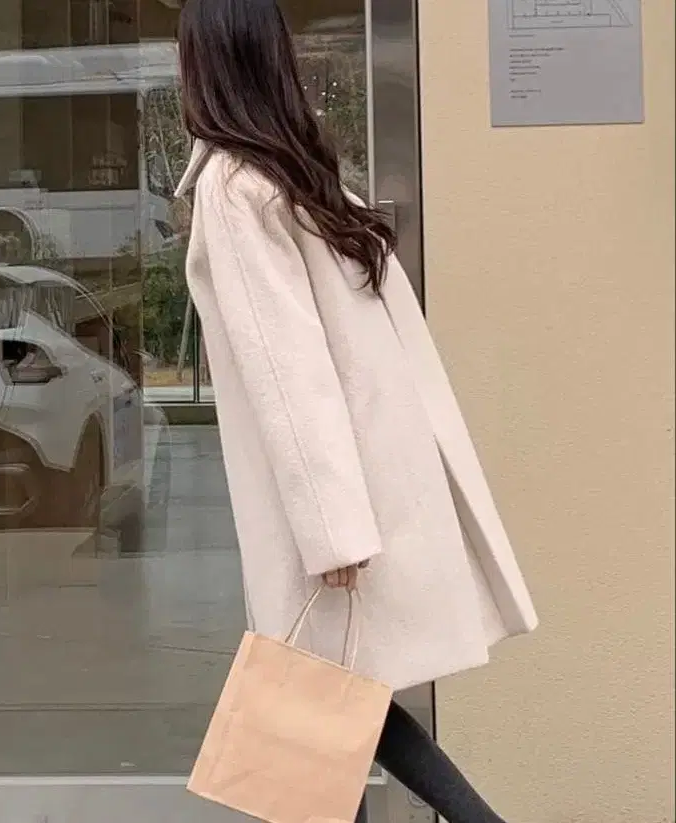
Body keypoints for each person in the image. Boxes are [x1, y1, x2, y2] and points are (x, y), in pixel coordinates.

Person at [174, 1, 539, 822]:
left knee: (323, 691)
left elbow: (288, 368)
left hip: (334, 495)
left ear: (206, 65)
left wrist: (330, 527)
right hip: (368, 475)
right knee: (333, 700)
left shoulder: (235, 188)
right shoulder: (298, 176)